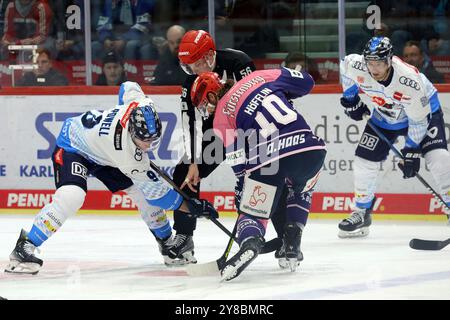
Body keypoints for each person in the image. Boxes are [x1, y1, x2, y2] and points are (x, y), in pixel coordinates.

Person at [4, 81, 219, 275]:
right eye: (143, 141)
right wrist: (193, 208)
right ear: (131, 130)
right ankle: (25, 246)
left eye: (153, 139)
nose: (148, 146)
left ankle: (167, 244)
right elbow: (160, 197)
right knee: (72, 195)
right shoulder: (127, 154)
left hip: (103, 152)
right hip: (74, 146)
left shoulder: (140, 103)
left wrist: (123, 107)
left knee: (140, 192)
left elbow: (128, 86)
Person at [190, 68, 326, 281]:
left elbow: (239, 164)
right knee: (301, 189)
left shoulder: (220, 117)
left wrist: (243, 190)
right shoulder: (259, 77)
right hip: (310, 149)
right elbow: (307, 82)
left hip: (268, 158)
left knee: (253, 209)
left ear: (211, 95)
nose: (206, 110)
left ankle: (250, 241)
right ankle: (292, 237)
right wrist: (283, 93)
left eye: (204, 104)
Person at [338, 36, 450, 238]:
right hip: (386, 115)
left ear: (389, 60)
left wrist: (411, 151)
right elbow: (345, 67)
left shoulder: (409, 82)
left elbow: (419, 121)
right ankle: (361, 212)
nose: (374, 69)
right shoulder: (358, 65)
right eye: (370, 63)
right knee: (364, 160)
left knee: (439, 158)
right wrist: (351, 99)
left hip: (424, 113)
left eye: (379, 63)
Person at [166, 29, 258, 263]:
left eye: (195, 64)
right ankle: (184, 235)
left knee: (264, 178)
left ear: (208, 56)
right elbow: (189, 122)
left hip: (248, 130)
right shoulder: (191, 80)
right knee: (184, 173)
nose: (192, 71)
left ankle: (285, 235)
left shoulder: (239, 63)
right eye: (187, 66)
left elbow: (260, 98)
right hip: (216, 133)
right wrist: (194, 161)